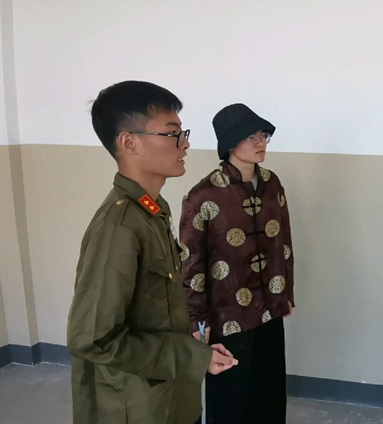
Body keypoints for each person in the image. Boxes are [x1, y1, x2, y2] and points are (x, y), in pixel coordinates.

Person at [67, 80, 238, 424]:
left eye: (182, 132)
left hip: (170, 397)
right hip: (137, 406)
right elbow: (92, 338)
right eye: (172, 133)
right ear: (128, 142)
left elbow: (154, 310)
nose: (185, 143)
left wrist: (196, 349)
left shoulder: (153, 211)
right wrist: (190, 358)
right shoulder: (119, 227)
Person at [180, 103, 295, 424]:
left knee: (270, 389)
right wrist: (196, 321)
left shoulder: (272, 183)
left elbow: (284, 244)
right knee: (231, 395)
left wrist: (286, 294)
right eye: (251, 137)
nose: (260, 143)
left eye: (263, 136)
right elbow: (191, 264)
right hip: (227, 313)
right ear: (230, 143)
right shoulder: (202, 196)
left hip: (270, 306)